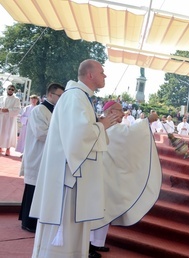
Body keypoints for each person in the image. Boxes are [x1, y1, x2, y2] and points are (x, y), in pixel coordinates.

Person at [29, 59, 121, 258]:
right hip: (67, 179)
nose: (105, 76)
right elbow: (77, 137)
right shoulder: (75, 97)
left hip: (73, 177)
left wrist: (101, 127)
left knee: (74, 231)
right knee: (64, 231)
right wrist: (101, 126)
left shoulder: (81, 97)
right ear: (90, 75)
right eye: (102, 72)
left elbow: (84, 133)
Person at [89, 100, 161, 257]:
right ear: (111, 112)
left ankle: (97, 243)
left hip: (108, 174)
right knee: (97, 209)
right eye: (120, 110)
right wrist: (147, 120)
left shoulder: (111, 126)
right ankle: (88, 246)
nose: (123, 114)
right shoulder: (106, 126)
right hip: (100, 174)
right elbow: (129, 135)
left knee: (105, 208)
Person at [18, 83, 65, 233]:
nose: (62, 98)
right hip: (38, 154)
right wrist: (64, 135)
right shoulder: (39, 110)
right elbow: (41, 133)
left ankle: (37, 220)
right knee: (33, 188)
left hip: (50, 156)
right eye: (59, 95)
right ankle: (28, 222)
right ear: (50, 95)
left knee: (43, 189)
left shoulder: (57, 111)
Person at [0, 82, 21, 156]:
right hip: (2, 117)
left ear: (14, 91)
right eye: (9, 89)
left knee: (8, 133)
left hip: (10, 118)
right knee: (1, 132)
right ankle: (0, 147)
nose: (10, 90)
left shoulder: (16, 99)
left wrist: (8, 109)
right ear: (7, 89)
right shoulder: (2, 98)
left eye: (12, 89)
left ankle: (8, 149)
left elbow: (18, 109)